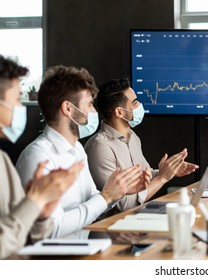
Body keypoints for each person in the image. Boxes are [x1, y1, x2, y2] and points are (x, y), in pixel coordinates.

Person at [16, 65, 144, 238]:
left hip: (82, 250)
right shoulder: (38, 158)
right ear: (68, 109)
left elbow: (91, 199)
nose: (94, 111)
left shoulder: (76, 149)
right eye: (90, 104)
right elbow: (50, 229)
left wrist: (117, 192)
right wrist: (106, 196)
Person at [0, 56, 83, 259]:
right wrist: (34, 201)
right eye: (17, 99)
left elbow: (33, 239)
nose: (21, 107)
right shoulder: (35, 155)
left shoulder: (3, 161)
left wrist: (42, 214)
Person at [84, 78, 198, 213]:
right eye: (134, 102)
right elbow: (124, 205)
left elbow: (144, 177)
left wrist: (168, 171)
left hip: (136, 218)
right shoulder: (100, 147)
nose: (139, 105)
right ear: (119, 112)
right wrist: (162, 178)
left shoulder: (133, 137)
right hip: (114, 227)